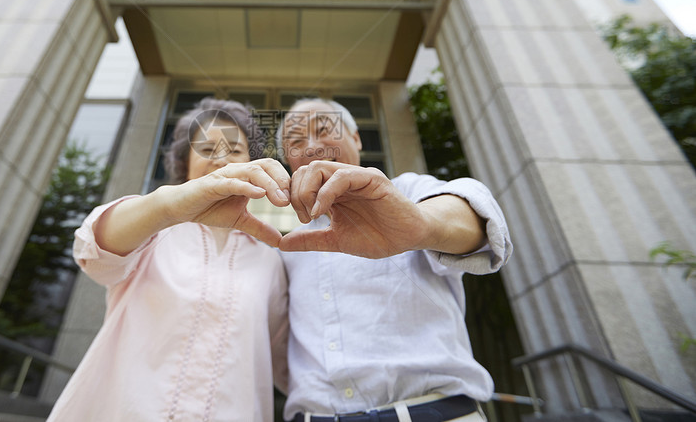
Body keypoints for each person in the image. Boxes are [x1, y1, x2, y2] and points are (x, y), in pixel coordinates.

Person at [46, 98, 292, 422]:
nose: (222, 159)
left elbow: (284, 359)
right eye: (206, 149)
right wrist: (166, 208)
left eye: (234, 150)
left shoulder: (268, 260)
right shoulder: (151, 230)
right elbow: (91, 250)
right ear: (184, 163)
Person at [276, 98, 513, 422]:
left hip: (436, 412)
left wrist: (419, 224)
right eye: (296, 141)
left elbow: (473, 216)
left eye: (324, 130)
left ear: (357, 137)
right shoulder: (287, 247)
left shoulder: (406, 191)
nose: (313, 146)